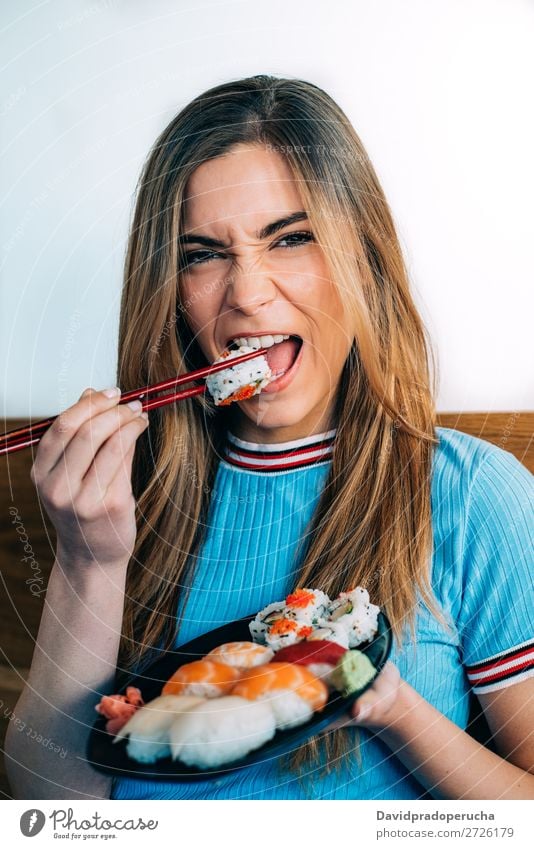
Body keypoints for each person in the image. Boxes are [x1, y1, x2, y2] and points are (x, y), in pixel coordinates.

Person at [6, 75, 533, 801]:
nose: (247, 293)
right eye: (202, 253)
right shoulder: (119, 499)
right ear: (171, 292)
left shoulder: (477, 496)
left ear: (364, 260)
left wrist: (390, 706)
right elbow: (50, 808)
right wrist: (85, 562)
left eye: (290, 238)